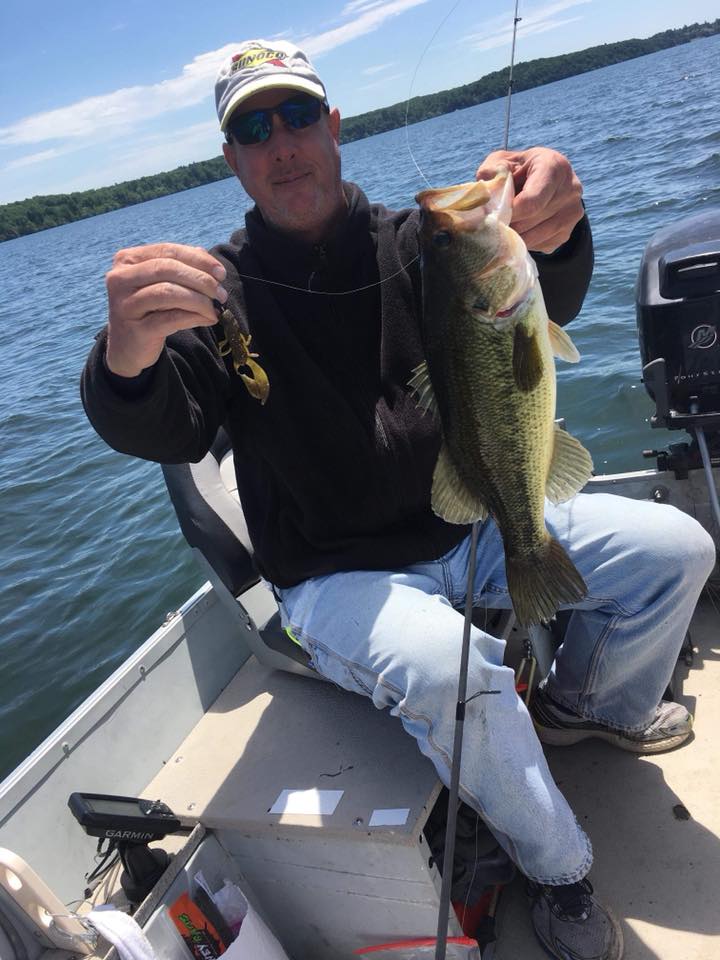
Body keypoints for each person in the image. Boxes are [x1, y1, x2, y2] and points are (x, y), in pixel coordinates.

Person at [81, 40, 715, 960]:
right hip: (335, 574)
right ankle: (559, 868)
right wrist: (124, 357)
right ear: (232, 160)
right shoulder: (216, 295)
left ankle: (589, 707)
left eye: (298, 114)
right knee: (458, 681)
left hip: (474, 517)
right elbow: (163, 424)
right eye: (254, 129)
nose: (282, 142)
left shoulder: (428, 241)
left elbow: (549, 303)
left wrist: (558, 228)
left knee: (678, 550)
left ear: (334, 126)